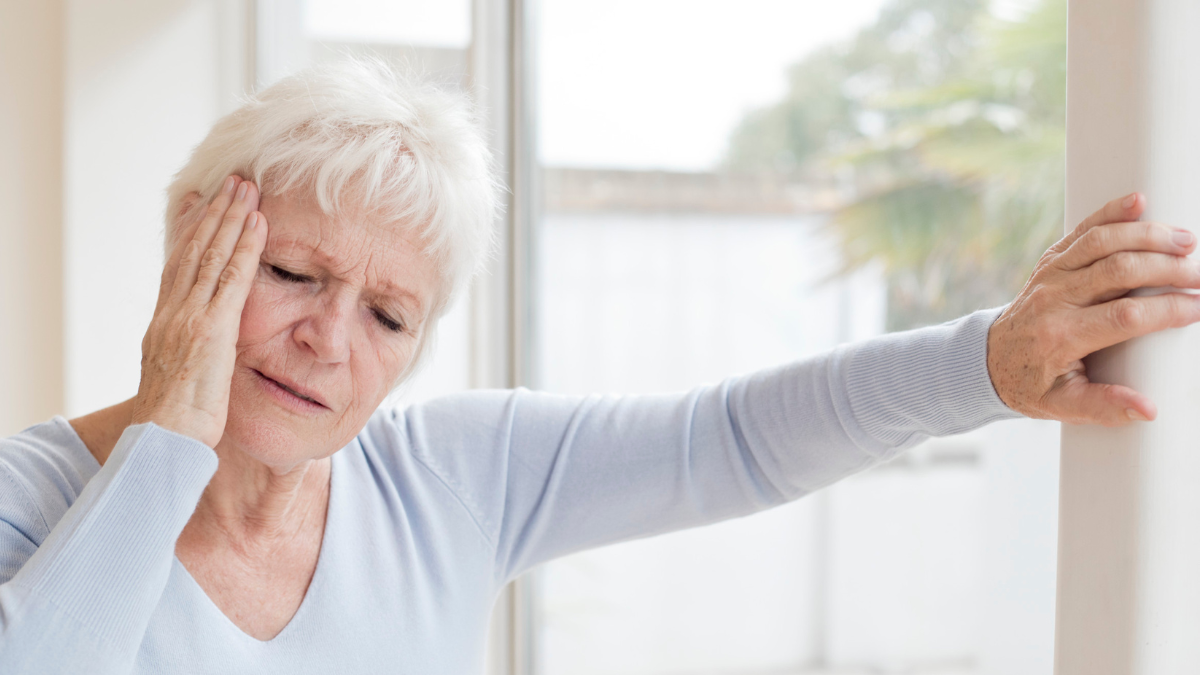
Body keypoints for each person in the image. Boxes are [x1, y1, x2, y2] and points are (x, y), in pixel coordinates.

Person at [2, 58, 1198, 675]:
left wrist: (985, 361)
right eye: (293, 276)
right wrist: (168, 431)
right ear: (192, 251)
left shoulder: (450, 480)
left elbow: (727, 440)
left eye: (388, 315)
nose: (328, 341)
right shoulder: (25, 500)